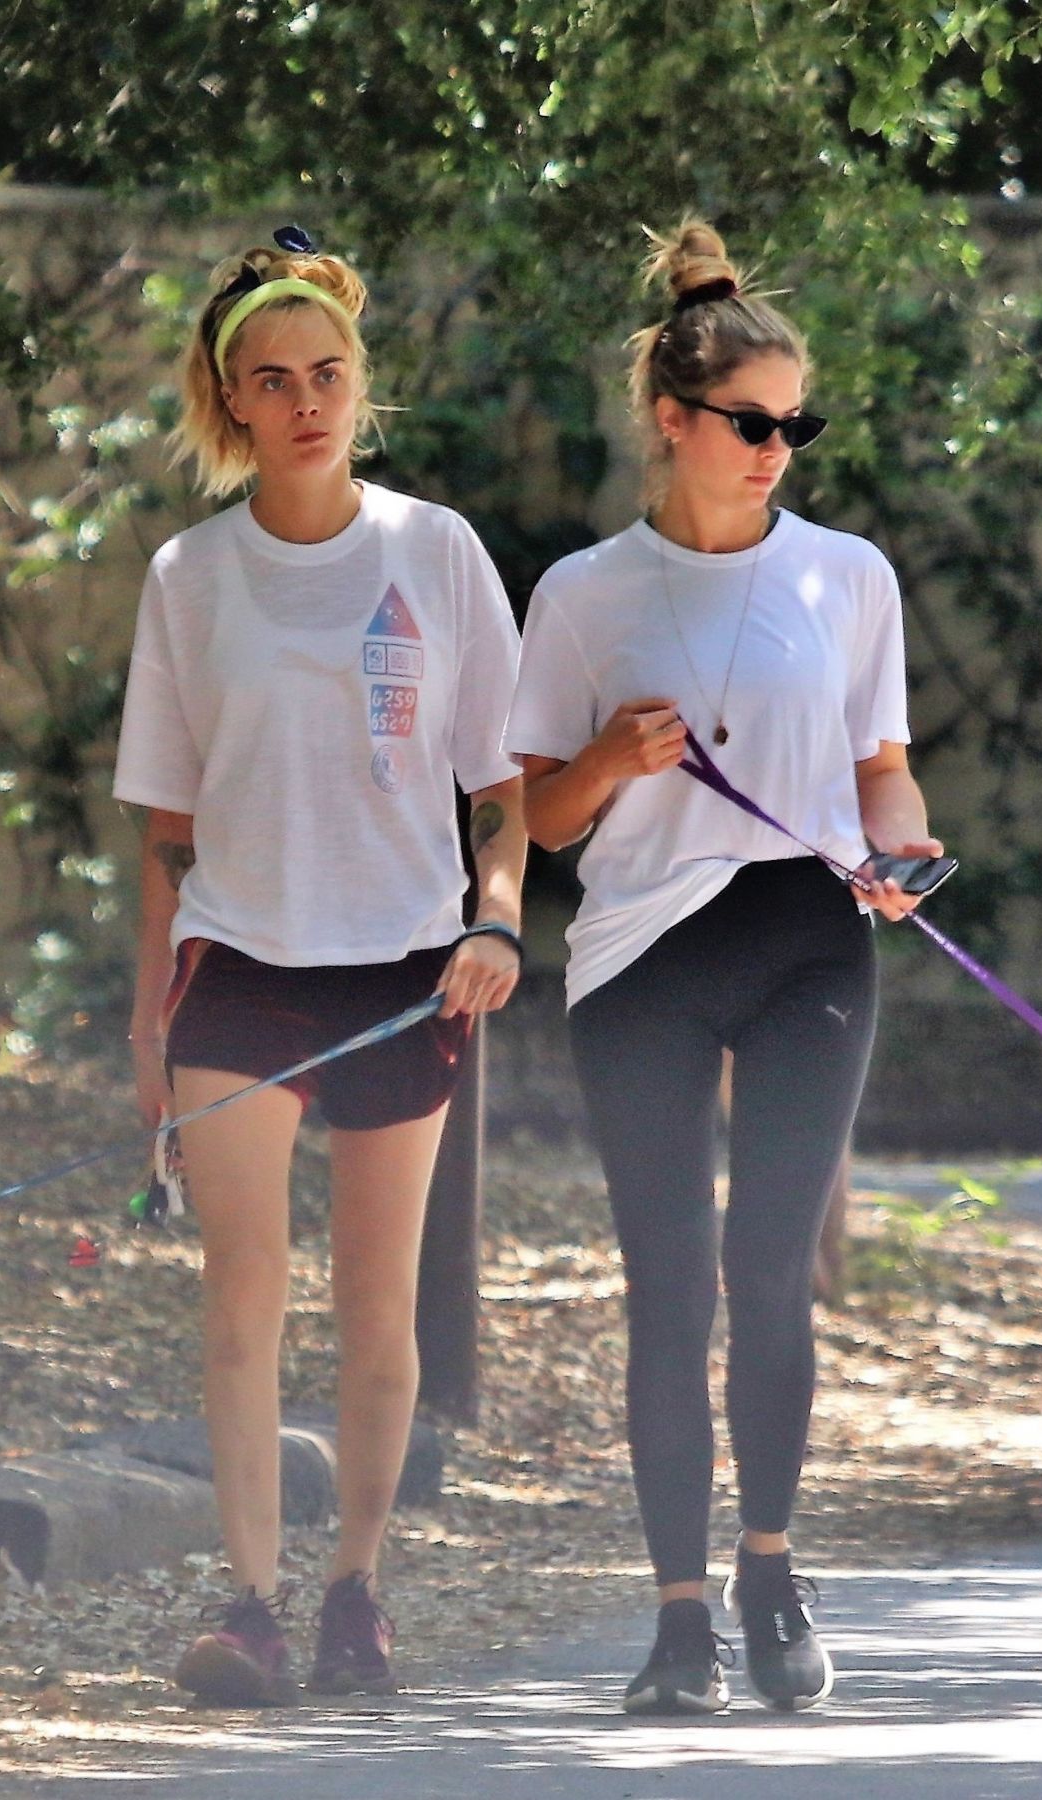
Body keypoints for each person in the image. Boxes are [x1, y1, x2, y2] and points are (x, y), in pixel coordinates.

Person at [503, 219, 943, 1716]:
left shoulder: (851, 576)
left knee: (771, 1273)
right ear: (673, 424)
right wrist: (611, 760)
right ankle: (678, 1619)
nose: (776, 448)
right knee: (667, 1287)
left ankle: (770, 1576)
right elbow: (533, 821)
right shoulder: (584, 593)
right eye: (750, 424)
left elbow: (886, 775)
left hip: (813, 932)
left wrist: (906, 857)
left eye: (794, 425)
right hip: (640, 956)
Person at [113, 226, 525, 1705]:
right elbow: (166, 826)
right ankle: (251, 1607)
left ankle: (357, 1591)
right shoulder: (190, 574)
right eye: (273, 381)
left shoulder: (437, 551)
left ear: (361, 385)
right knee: (240, 1295)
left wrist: (495, 917)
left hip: (408, 972)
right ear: (230, 403)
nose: (305, 401)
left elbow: (500, 784)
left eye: (328, 374)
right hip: (242, 970)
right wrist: (149, 1032)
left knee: (376, 1305)